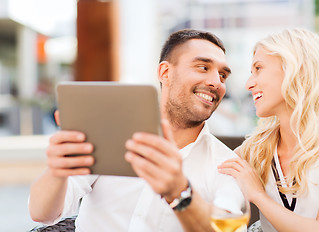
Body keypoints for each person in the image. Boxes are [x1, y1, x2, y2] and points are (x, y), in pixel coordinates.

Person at [28, 29, 244, 231]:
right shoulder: (110, 136)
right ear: (165, 72)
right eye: (203, 67)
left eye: (223, 75)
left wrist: (180, 191)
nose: (216, 82)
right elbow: (42, 214)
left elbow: (228, 226)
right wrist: (56, 172)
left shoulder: (226, 164)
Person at [218, 28, 319, 231]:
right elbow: (211, 187)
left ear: (297, 70)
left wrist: (258, 195)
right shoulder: (255, 150)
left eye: (258, 69)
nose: (249, 84)